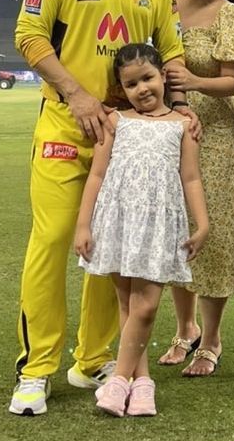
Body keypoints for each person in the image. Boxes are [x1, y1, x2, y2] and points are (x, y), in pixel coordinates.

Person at [10, 0, 195, 416]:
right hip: (67, 125)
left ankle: (92, 360)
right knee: (55, 240)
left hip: (129, 137)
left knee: (109, 248)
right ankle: (36, 368)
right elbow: (28, 33)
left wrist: (181, 107)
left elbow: (173, 53)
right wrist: (76, 94)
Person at [74, 44, 209, 417]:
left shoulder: (183, 125)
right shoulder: (115, 121)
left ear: (163, 75)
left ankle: (118, 380)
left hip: (160, 223)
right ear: (122, 87)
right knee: (127, 304)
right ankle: (142, 384)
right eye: (132, 84)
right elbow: (97, 175)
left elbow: (191, 177)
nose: (142, 89)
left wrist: (203, 222)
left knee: (146, 306)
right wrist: (83, 224)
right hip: (118, 218)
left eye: (148, 78)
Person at [156, 0, 234, 376]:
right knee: (178, 229)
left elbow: (233, 81)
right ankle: (185, 327)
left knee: (210, 233)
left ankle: (211, 339)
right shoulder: (162, 0)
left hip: (213, 135)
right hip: (163, 133)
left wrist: (190, 82)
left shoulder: (231, 15)